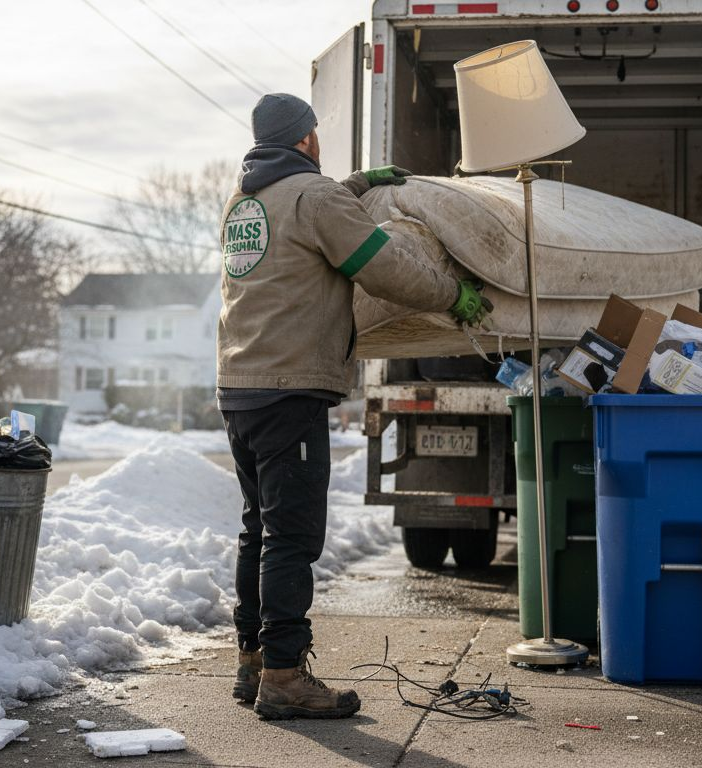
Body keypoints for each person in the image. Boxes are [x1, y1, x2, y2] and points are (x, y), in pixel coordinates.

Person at [217, 93, 493, 720]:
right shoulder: (315, 199)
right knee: (292, 537)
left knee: (258, 530)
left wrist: (360, 183)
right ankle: (285, 677)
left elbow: (309, 206)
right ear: (307, 140)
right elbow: (385, 267)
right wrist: (453, 294)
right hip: (292, 389)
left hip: (241, 386)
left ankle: (254, 662)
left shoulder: (245, 202)